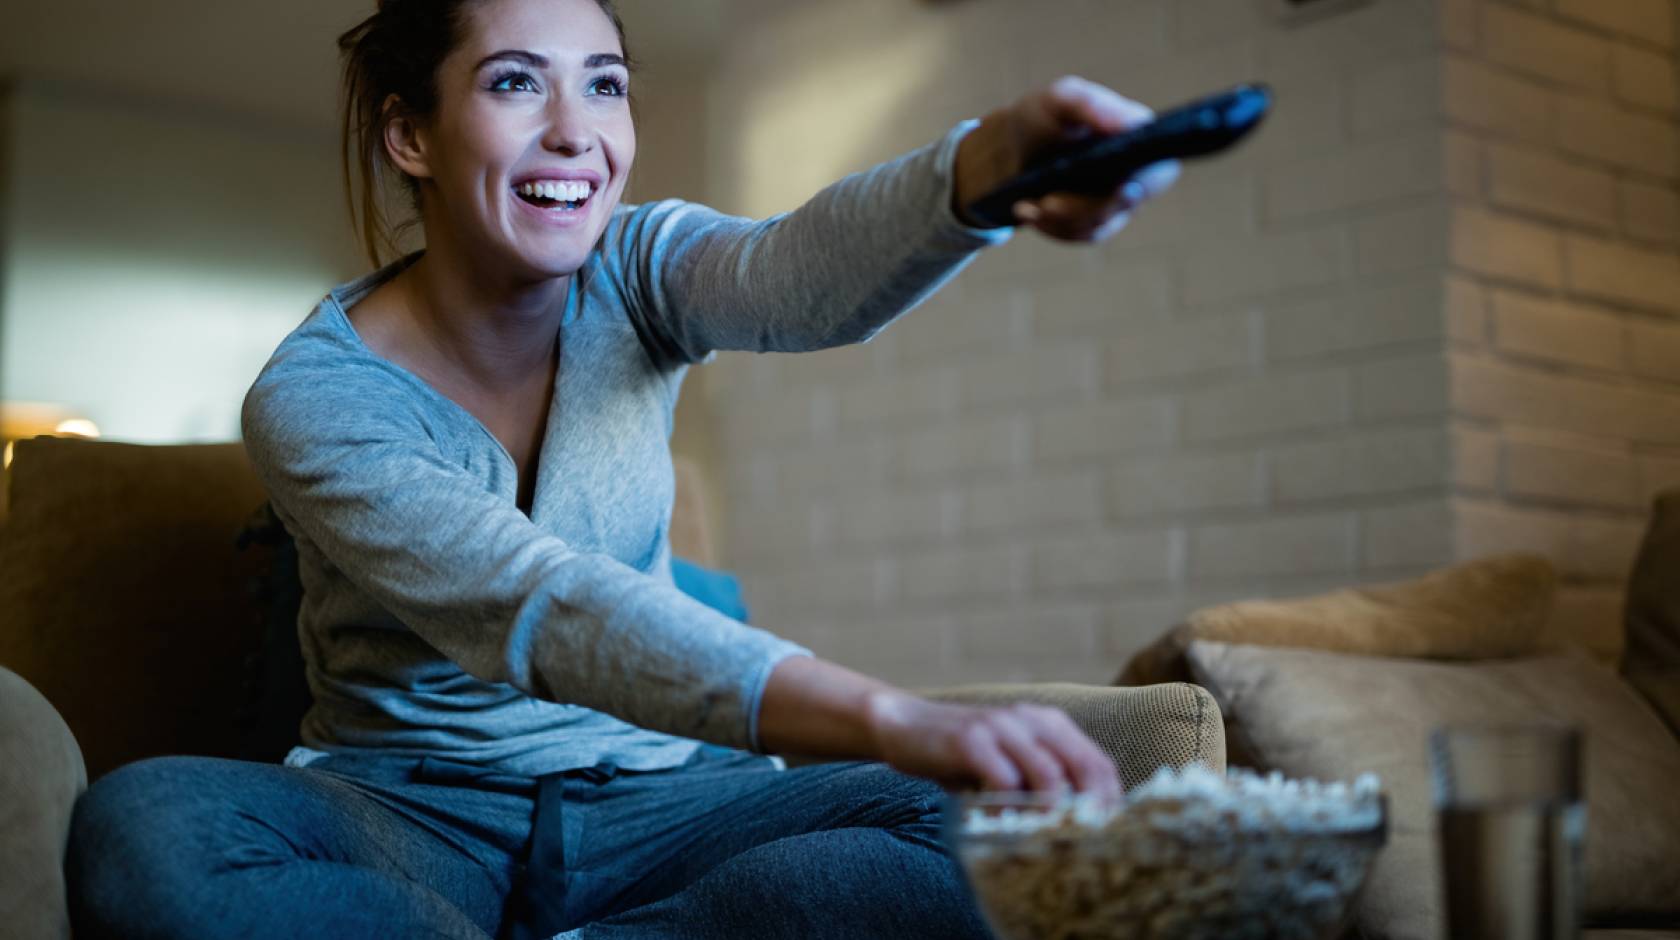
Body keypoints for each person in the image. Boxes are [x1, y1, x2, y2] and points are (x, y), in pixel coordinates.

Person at [63, 0, 1181, 937]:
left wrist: (982, 170)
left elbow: (793, 272)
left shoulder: (638, 268)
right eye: (514, 83)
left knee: (992, 834)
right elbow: (540, 605)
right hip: (411, 815)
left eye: (604, 85)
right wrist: (891, 714)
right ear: (411, 134)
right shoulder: (316, 396)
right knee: (150, 827)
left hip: (670, 803)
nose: (576, 132)